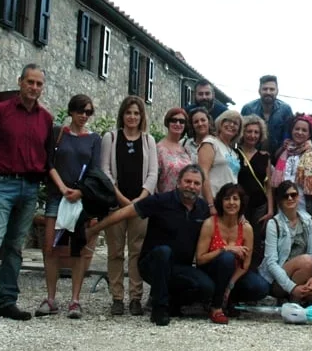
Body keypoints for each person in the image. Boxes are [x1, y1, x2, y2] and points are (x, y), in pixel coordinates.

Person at [0, 64, 54, 327]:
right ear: (20, 82)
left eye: (39, 84)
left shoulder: (45, 119)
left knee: (15, 246)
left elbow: (47, 155)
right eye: (30, 82)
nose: (34, 87)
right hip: (2, 183)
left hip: (30, 187)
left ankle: (6, 302)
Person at [85, 165, 212, 326]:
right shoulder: (161, 200)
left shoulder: (202, 209)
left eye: (196, 183)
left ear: (201, 186)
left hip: (179, 267)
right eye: (188, 181)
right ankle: (159, 309)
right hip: (152, 264)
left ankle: (172, 302)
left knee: (207, 287)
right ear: (178, 182)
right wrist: (93, 230)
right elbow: (124, 213)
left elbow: (222, 224)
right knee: (164, 252)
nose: (191, 186)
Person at [37, 94, 102, 320]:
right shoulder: (57, 134)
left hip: (80, 199)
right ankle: (51, 297)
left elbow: (95, 170)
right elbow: (49, 163)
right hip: (58, 195)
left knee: (78, 249)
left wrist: (81, 192)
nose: (84, 116)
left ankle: (75, 300)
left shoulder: (95, 139)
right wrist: (62, 188)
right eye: (80, 111)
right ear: (71, 111)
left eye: (88, 112)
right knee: (50, 247)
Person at [100, 96, 159, 316]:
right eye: (128, 113)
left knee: (137, 251)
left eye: (136, 113)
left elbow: (153, 172)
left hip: (140, 205)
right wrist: (121, 198)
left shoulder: (148, 140)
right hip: (116, 204)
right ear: (122, 115)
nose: (132, 117)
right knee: (115, 251)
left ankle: (135, 297)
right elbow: (104, 171)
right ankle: (117, 297)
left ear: (141, 116)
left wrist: (141, 198)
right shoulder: (111, 138)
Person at [194, 184, 270, 323]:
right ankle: (216, 307)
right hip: (211, 271)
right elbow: (200, 259)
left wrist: (230, 285)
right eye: (227, 198)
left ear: (241, 203)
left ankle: (229, 299)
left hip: (234, 275)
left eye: (235, 199)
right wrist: (225, 249)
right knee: (227, 258)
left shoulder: (246, 228)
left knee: (261, 287)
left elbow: (245, 265)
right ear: (220, 202)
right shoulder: (210, 224)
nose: (231, 203)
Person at [260, 181, 312, 304]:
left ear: (298, 197)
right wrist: (292, 287)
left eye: (293, 195)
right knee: (306, 261)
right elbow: (271, 263)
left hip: (304, 273)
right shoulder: (273, 224)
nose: (290, 198)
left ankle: (297, 297)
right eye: (285, 196)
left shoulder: (307, 220)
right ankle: (294, 298)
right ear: (279, 200)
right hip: (278, 279)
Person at [236, 115, 273, 268]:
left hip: (259, 205)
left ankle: (252, 271)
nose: (252, 135)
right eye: (249, 131)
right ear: (243, 132)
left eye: (256, 132)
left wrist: (270, 210)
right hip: (239, 205)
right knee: (239, 237)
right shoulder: (234, 153)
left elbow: (269, 185)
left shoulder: (265, 156)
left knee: (256, 240)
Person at [269, 114, 312, 216]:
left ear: (310, 134)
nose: (299, 132)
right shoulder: (283, 152)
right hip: (282, 203)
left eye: (304, 130)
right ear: (291, 131)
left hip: (304, 205)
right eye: (297, 129)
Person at [197, 109, 242, 207]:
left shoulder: (234, 153)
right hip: (212, 201)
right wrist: (210, 204)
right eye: (228, 121)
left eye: (235, 123)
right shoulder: (210, 143)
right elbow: (203, 173)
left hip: (228, 204)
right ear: (220, 124)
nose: (231, 125)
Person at [240, 75, 294, 154]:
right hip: (250, 156)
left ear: (277, 91)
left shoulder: (285, 110)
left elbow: (291, 135)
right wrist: (235, 152)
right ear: (259, 91)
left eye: (272, 89)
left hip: (278, 158)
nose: (268, 92)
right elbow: (239, 135)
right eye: (265, 89)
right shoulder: (248, 109)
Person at [157, 108, 193, 194]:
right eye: (173, 120)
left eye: (181, 121)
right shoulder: (158, 149)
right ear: (167, 123)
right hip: (166, 200)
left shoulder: (185, 149)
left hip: (185, 199)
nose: (178, 124)